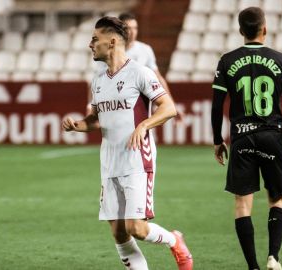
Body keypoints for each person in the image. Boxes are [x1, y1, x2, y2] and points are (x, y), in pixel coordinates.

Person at [62, 16, 193, 270]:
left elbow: (169, 108)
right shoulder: (98, 80)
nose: (90, 45)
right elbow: (97, 119)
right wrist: (78, 124)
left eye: (94, 39)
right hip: (109, 161)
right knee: (119, 233)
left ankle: (173, 240)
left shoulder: (139, 73)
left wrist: (144, 125)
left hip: (136, 159)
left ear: (111, 42)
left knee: (136, 227)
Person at [211, 7, 282, 270]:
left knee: (242, 204)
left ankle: (252, 266)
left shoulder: (227, 61)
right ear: (265, 28)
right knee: (277, 199)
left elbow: (217, 107)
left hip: (241, 138)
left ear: (241, 31)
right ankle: (273, 257)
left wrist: (218, 139)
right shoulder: (281, 60)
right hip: (272, 136)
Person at [88, 13, 183, 121]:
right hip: (117, 103)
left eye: (135, 28)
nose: (133, 32)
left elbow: (158, 78)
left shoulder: (145, 50)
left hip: (138, 103)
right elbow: (97, 80)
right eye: (129, 28)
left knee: (142, 131)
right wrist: (90, 104)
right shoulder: (107, 53)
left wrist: (171, 102)